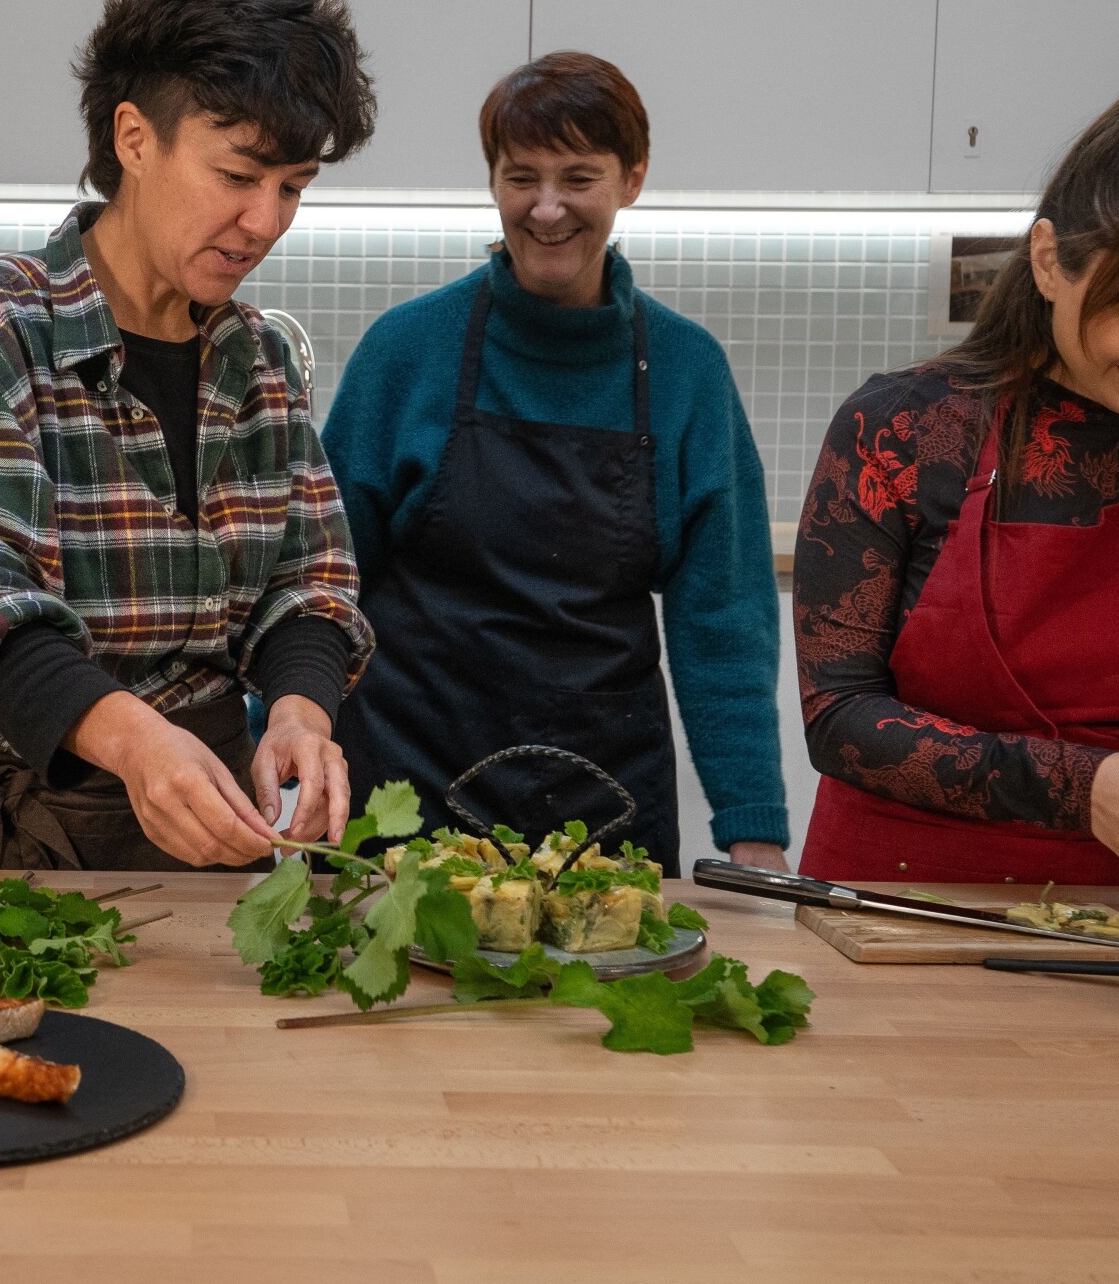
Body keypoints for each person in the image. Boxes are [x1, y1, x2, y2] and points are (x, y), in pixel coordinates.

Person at [0, 0, 376, 870]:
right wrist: (139, 742)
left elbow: (310, 576)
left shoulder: (255, 354)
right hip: (15, 829)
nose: (265, 222)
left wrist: (301, 710)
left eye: (293, 188)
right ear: (134, 138)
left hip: (218, 818)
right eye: (238, 176)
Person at [795, 64, 1119, 893]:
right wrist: (1083, 788)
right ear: (1050, 261)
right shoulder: (903, 431)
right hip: (902, 909)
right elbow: (840, 717)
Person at [322, 53, 785, 873]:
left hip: (601, 812)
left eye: (579, 177)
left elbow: (723, 623)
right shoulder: (407, 352)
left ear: (631, 179)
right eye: (520, 176)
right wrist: (280, 740)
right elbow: (322, 585)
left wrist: (753, 829)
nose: (545, 208)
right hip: (405, 791)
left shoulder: (687, 372)